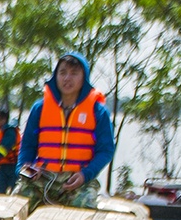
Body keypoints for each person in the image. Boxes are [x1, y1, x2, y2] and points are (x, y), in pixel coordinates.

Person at [17, 52, 114, 207]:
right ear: (56, 76)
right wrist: (25, 168)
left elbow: (106, 150)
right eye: (62, 73)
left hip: (78, 178)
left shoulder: (98, 111)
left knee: (85, 205)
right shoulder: (39, 108)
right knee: (17, 201)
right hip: (43, 177)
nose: (67, 78)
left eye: (74, 74)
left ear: (84, 78)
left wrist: (85, 175)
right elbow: (27, 145)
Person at [0, 105, 18, 192]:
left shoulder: (10, 132)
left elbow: (3, 150)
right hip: (3, 166)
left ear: (3, 120)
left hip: (13, 167)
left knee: (13, 192)